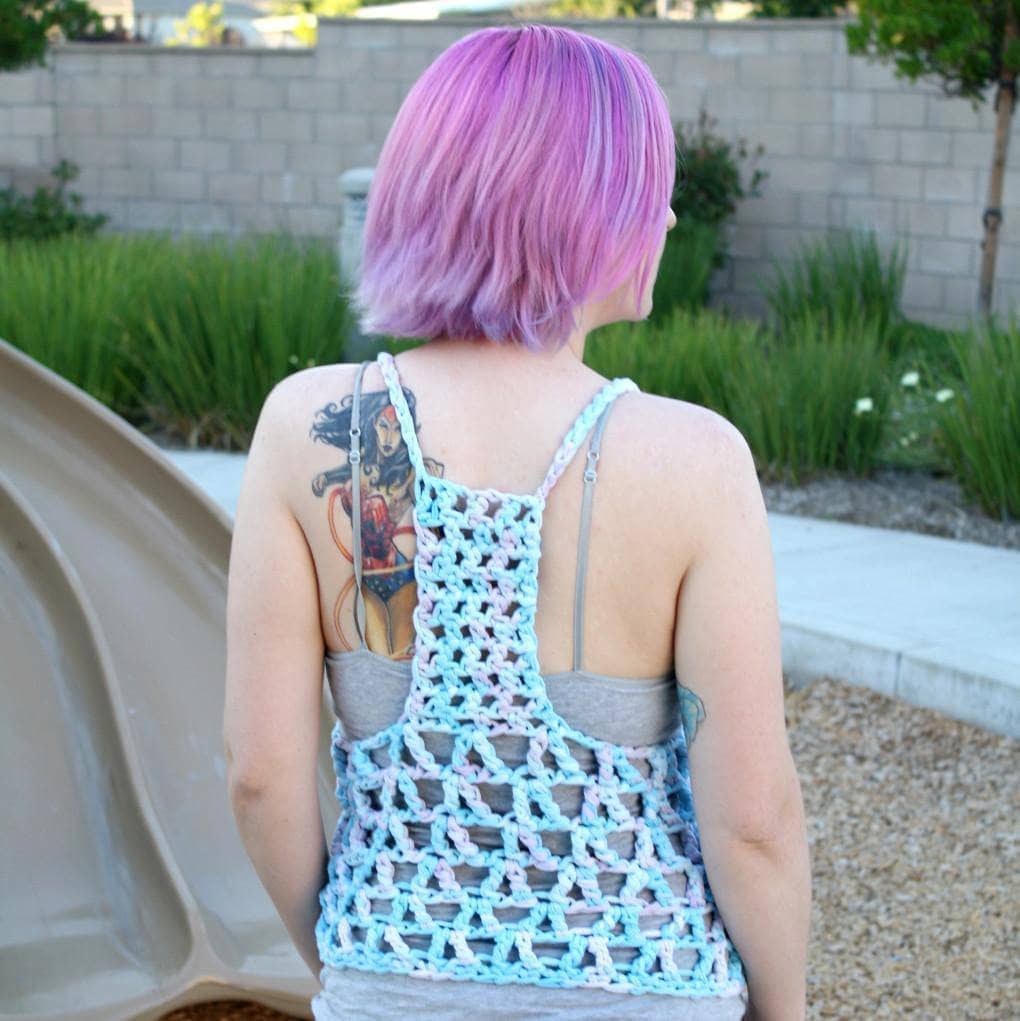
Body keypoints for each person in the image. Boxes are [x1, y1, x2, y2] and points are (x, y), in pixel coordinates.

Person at [222, 22, 811, 1021]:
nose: (667, 215)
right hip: (646, 988)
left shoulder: (326, 433)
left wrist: (356, 963)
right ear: (585, 212)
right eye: (645, 189)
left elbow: (262, 777)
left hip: (390, 982)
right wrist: (786, 1008)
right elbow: (751, 817)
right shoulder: (691, 462)